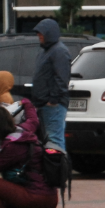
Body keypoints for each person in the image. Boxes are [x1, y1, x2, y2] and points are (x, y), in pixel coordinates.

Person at [31, 19, 72, 152]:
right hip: (44, 104)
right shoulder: (46, 51)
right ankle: (54, 170)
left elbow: (61, 79)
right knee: (49, 141)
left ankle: (59, 170)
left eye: (41, 34)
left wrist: (53, 100)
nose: (39, 37)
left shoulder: (59, 51)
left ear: (49, 33)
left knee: (54, 141)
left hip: (54, 106)